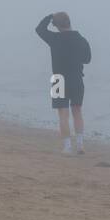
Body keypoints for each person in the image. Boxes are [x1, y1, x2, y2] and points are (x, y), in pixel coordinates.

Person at [36, 11, 91, 154]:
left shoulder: (54, 38)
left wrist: (49, 16)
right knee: (77, 111)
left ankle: (67, 147)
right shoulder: (81, 39)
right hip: (77, 79)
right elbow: (87, 59)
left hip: (58, 80)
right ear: (69, 22)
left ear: (56, 26)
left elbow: (39, 29)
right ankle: (80, 145)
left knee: (63, 113)